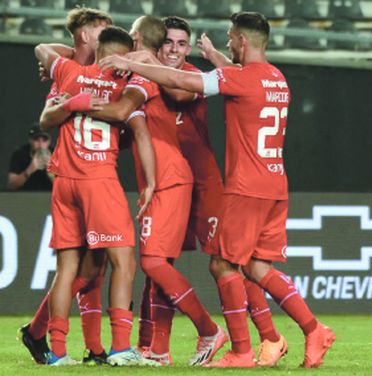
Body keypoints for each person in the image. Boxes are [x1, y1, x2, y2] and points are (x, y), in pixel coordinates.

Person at [98, 11, 335, 368]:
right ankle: (312, 330)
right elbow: (239, 77)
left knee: (223, 264)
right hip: (274, 183)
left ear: (242, 41)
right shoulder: (277, 79)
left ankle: (240, 350)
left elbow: (180, 82)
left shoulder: (231, 78)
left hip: (245, 187)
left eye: (230, 38)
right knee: (255, 267)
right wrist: (215, 57)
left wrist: (134, 62)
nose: (228, 43)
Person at [132, 15, 287, 367]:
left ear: (189, 48)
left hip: (205, 185)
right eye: (168, 42)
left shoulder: (191, 76)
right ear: (158, 43)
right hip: (169, 184)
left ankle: (268, 337)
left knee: (232, 262)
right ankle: (155, 346)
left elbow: (176, 88)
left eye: (181, 44)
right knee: (161, 263)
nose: (174, 50)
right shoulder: (148, 74)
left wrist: (141, 60)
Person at [75, 15, 228, 366]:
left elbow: (128, 108)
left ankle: (209, 329)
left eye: (132, 36)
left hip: (171, 178)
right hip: (160, 180)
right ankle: (156, 348)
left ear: (139, 38)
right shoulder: (140, 72)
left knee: (156, 262)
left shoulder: (148, 70)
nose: (128, 41)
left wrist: (73, 103)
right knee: (158, 265)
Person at [33, 25, 158, 366]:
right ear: (123, 55)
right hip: (99, 178)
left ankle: (58, 352)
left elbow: (41, 51)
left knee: (67, 267)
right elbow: (127, 109)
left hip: (63, 180)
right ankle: (120, 348)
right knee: (124, 261)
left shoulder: (69, 72)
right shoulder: (128, 82)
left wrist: (72, 104)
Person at [18, 7, 115, 366]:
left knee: (94, 268)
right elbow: (46, 117)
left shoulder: (99, 68)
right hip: (77, 177)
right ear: (86, 35)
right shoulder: (68, 72)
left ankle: (79, 344)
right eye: (102, 30)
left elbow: (45, 51)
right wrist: (74, 100)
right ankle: (55, 342)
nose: (109, 35)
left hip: (91, 176)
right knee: (79, 266)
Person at [7, 126, 54, 191]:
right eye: (36, 139)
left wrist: (51, 172)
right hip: (24, 195)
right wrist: (29, 170)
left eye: (44, 140)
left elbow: (64, 188)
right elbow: (12, 185)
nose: (41, 144)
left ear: (49, 142)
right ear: (30, 140)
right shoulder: (20, 154)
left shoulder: (57, 154)